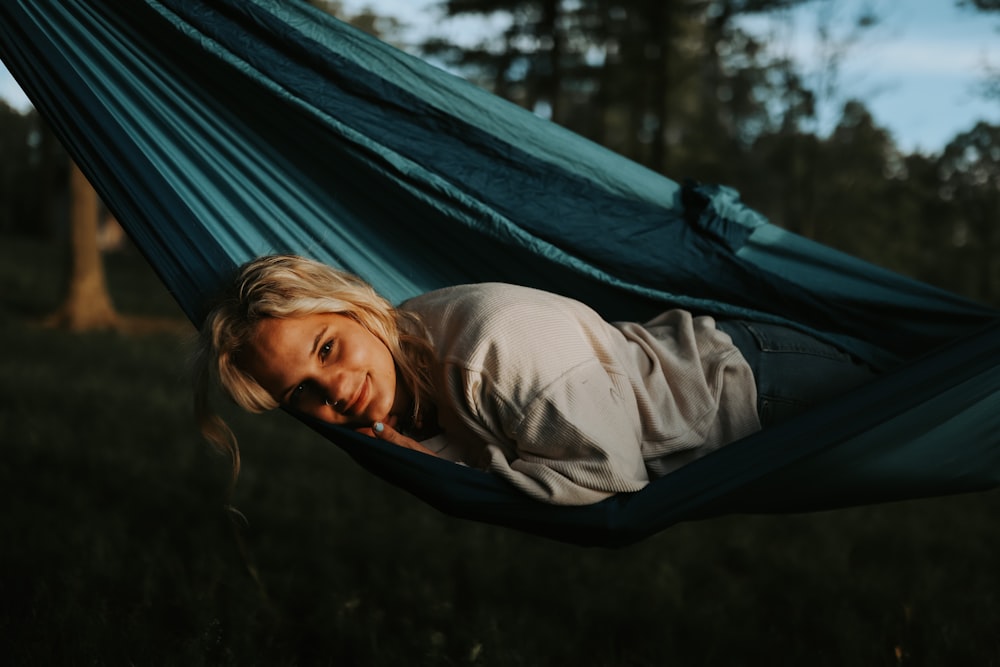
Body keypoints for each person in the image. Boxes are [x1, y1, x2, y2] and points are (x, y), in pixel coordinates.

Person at [195, 254, 878, 506]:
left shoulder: (493, 344)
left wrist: (453, 476)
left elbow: (610, 476)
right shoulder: (403, 376)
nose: (335, 389)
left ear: (359, 309)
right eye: (301, 394)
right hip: (733, 407)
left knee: (931, 401)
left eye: (327, 346)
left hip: (756, 381)